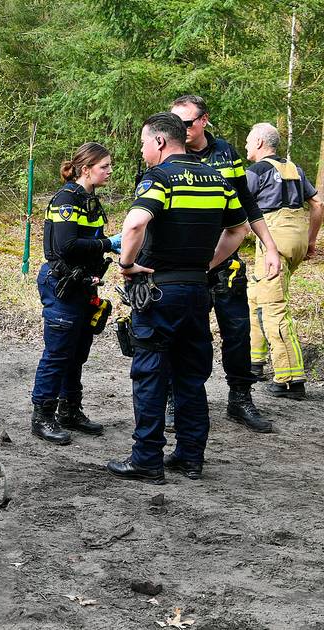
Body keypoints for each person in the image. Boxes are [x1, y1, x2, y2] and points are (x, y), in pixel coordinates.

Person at [107, 112, 250, 483]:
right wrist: (206, 265)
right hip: (197, 292)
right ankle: (190, 457)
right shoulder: (217, 180)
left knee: (151, 374)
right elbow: (239, 229)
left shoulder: (160, 178)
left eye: (143, 143)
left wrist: (126, 264)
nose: (142, 151)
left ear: (159, 142)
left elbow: (136, 223)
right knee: (190, 376)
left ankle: (147, 460)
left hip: (159, 291)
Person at [169, 95, 282, 433]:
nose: (181, 130)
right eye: (176, 123)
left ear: (204, 120)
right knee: (186, 335)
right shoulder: (168, 151)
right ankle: (179, 401)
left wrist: (271, 246)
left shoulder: (226, 154)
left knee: (237, 331)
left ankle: (240, 398)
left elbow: (246, 203)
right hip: (184, 264)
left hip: (224, 261)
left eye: (187, 123)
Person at [30, 142, 115, 445]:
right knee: (58, 353)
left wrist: (109, 244)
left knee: (77, 353)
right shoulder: (67, 199)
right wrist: (109, 244)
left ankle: (70, 409)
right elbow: (66, 246)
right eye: (104, 166)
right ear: (85, 169)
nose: (109, 171)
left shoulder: (90, 199)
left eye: (109, 165)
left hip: (83, 285)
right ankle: (42, 416)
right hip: (62, 284)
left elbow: (93, 237)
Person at [244, 122, 323, 400]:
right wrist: (311, 239)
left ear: (259, 143)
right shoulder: (294, 169)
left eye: (248, 142)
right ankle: (254, 363)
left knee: (274, 308)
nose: (245, 147)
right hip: (297, 238)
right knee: (255, 296)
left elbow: (237, 204)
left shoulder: (257, 171)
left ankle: (291, 379)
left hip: (273, 242)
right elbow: (317, 204)